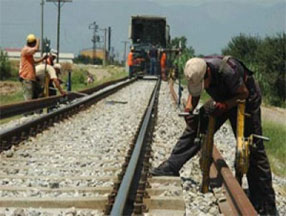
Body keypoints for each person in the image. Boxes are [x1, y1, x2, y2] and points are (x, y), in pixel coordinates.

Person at [151, 56, 277, 215]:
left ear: (208, 73)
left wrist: (225, 105)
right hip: (222, 97)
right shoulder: (196, 69)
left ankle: (265, 204)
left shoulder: (227, 71)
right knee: (197, 127)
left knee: (252, 145)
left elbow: (242, 93)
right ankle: (172, 166)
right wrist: (189, 109)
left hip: (245, 96)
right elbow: (194, 95)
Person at [19, 34, 48, 101]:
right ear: (33, 43)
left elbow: (34, 62)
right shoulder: (25, 50)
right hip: (26, 78)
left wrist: (43, 58)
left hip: (31, 78)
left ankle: (34, 110)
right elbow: (36, 49)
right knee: (29, 99)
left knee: (36, 95)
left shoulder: (29, 53)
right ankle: (28, 111)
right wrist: (38, 41)